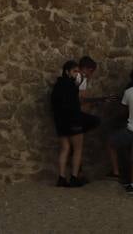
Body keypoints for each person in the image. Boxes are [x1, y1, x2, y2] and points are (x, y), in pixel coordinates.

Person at [51, 60, 87, 188]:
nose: (77, 74)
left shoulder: (57, 86)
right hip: (73, 122)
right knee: (77, 149)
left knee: (65, 148)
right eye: (74, 71)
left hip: (60, 122)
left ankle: (61, 177)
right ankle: (74, 177)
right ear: (67, 72)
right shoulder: (71, 87)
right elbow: (74, 106)